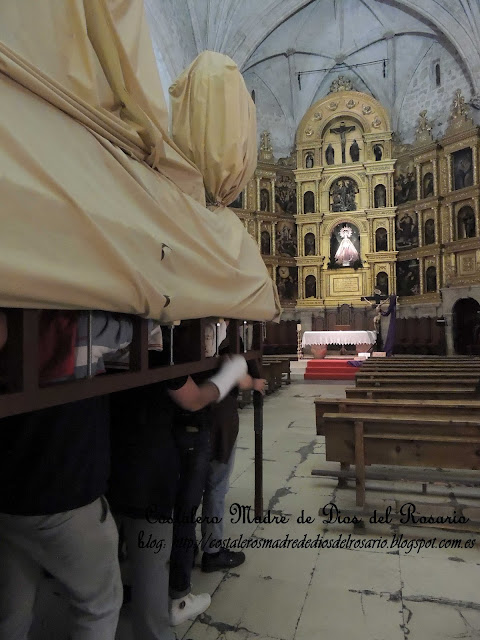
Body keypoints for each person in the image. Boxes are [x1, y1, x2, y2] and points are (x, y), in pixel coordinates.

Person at [0, 310, 140, 640]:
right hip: (65, 493)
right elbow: (136, 322)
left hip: (8, 495)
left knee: (11, 610)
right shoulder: (82, 329)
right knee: (100, 606)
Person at [108, 327, 250, 640]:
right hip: (150, 465)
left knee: (116, 549)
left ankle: (125, 592)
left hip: (108, 460)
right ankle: (168, 607)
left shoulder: (102, 343)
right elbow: (195, 399)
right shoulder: (159, 349)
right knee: (154, 554)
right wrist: (229, 375)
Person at [201, 330, 266, 572]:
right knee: (216, 485)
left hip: (196, 413)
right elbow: (237, 375)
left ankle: (184, 549)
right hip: (220, 418)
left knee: (193, 485)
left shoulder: (191, 328)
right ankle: (212, 549)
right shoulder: (227, 335)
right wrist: (254, 382)